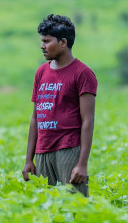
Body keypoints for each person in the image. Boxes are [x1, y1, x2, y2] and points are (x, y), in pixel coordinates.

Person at [22, 14, 97, 197]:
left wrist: (82, 164)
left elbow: (88, 120)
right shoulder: (41, 72)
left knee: (75, 204)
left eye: (47, 41)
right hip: (43, 150)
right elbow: (35, 118)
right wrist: (28, 159)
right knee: (44, 208)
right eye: (41, 41)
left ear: (63, 42)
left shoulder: (83, 73)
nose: (42, 46)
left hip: (69, 148)